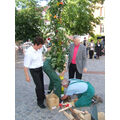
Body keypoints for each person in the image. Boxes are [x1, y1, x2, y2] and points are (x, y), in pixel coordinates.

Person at [24, 36, 48, 109]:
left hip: (40, 69)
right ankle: (40, 102)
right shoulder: (29, 53)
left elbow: (46, 49)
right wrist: (27, 76)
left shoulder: (39, 49)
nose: (41, 47)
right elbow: (25, 66)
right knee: (39, 86)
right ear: (36, 44)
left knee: (42, 83)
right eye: (40, 46)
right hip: (34, 71)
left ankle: (43, 95)